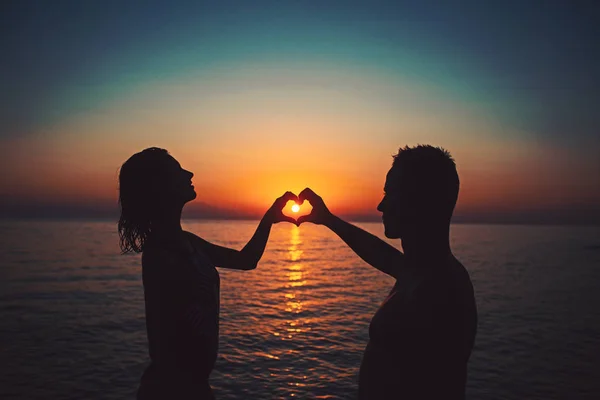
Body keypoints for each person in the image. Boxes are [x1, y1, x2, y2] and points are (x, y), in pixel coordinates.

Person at [296, 145, 478, 399]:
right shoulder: (421, 271)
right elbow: (381, 254)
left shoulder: (438, 293)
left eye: (390, 193)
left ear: (419, 201)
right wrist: (328, 219)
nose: (381, 205)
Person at [117, 147, 297, 399]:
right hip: (173, 391)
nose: (189, 173)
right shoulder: (160, 254)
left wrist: (270, 217)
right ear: (161, 187)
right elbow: (165, 341)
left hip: (196, 387)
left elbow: (246, 260)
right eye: (177, 170)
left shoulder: (187, 242)